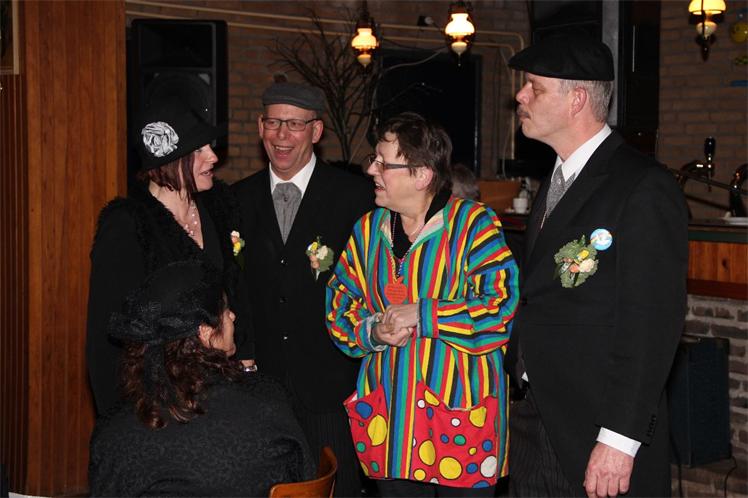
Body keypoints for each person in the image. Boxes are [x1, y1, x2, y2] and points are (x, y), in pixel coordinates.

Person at [503, 32, 688, 497]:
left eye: (535, 87)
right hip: (537, 421)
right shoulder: (559, 177)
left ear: (577, 99)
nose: (520, 96)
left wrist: (619, 439)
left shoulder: (641, 185)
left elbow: (652, 323)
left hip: (596, 430)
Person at [326, 112, 519, 497]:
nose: (371, 170)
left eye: (383, 163)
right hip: (390, 424)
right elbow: (339, 308)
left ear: (422, 175)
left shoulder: (473, 225)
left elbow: (500, 309)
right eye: (373, 159)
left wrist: (425, 313)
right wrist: (373, 331)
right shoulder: (368, 230)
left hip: (459, 425)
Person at [232, 81, 374, 497]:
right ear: (260, 127)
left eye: (294, 124)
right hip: (260, 389)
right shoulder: (235, 200)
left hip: (332, 385)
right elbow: (234, 288)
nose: (282, 135)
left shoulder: (356, 197)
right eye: (273, 122)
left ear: (316, 131)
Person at [86, 97, 254, 416]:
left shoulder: (220, 206)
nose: (213, 157)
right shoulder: (128, 225)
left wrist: (246, 357)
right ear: (170, 160)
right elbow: (106, 338)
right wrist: (121, 420)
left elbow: (237, 291)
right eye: (199, 150)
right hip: (161, 403)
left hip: (223, 392)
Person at [88, 261, 314, 496]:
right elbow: (306, 479)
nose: (233, 316)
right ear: (205, 332)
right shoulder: (269, 401)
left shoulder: (118, 434)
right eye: (225, 310)